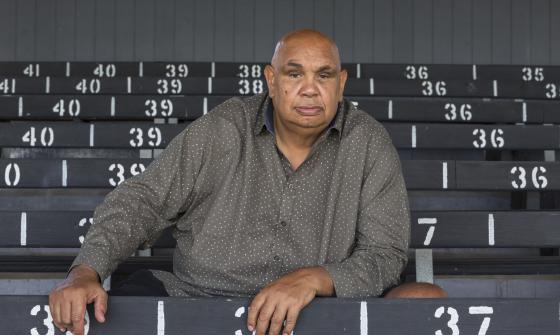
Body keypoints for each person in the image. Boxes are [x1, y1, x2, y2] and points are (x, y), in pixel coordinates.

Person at [49, 29, 446, 335]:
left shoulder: (368, 142)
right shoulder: (223, 129)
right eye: (295, 73)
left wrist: (313, 279)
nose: (310, 88)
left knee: (427, 300)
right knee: (114, 311)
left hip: (317, 311)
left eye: (323, 75)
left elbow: (385, 255)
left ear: (341, 84)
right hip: (199, 298)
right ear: (271, 81)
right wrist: (87, 270)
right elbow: (143, 200)